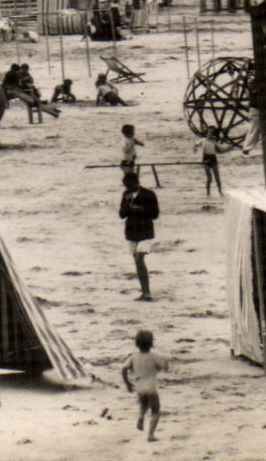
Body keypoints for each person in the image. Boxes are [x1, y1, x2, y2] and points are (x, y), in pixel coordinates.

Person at [121, 329, 170, 441]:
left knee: (143, 405)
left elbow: (124, 369)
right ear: (151, 343)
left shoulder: (133, 356)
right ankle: (150, 435)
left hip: (139, 386)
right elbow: (164, 368)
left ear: (137, 343)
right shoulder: (153, 356)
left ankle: (141, 416)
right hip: (151, 386)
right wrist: (166, 361)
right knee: (155, 411)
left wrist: (127, 383)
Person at [119, 172, 160, 301]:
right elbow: (121, 214)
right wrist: (128, 206)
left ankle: (147, 292)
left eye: (128, 185)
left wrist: (140, 209)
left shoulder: (149, 194)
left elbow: (155, 214)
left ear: (135, 182)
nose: (127, 188)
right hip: (131, 232)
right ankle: (144, 292)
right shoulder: (126, 195)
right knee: (138, 262)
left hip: (145, 232)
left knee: (139, 259)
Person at [196, 128, 229, 197]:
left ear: (213, 135)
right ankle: (208, 193)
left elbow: (220, 149)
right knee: (209, 178)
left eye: (211, 133)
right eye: (208, 133)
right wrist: (195, 148)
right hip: (205, 159)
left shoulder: (214, 142)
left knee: (217, 177)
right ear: (206, 133)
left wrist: (228, 148)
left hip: (213, 159)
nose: (209, 134)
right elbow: (196, 144)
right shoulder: (203, 140)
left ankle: (220, 192)